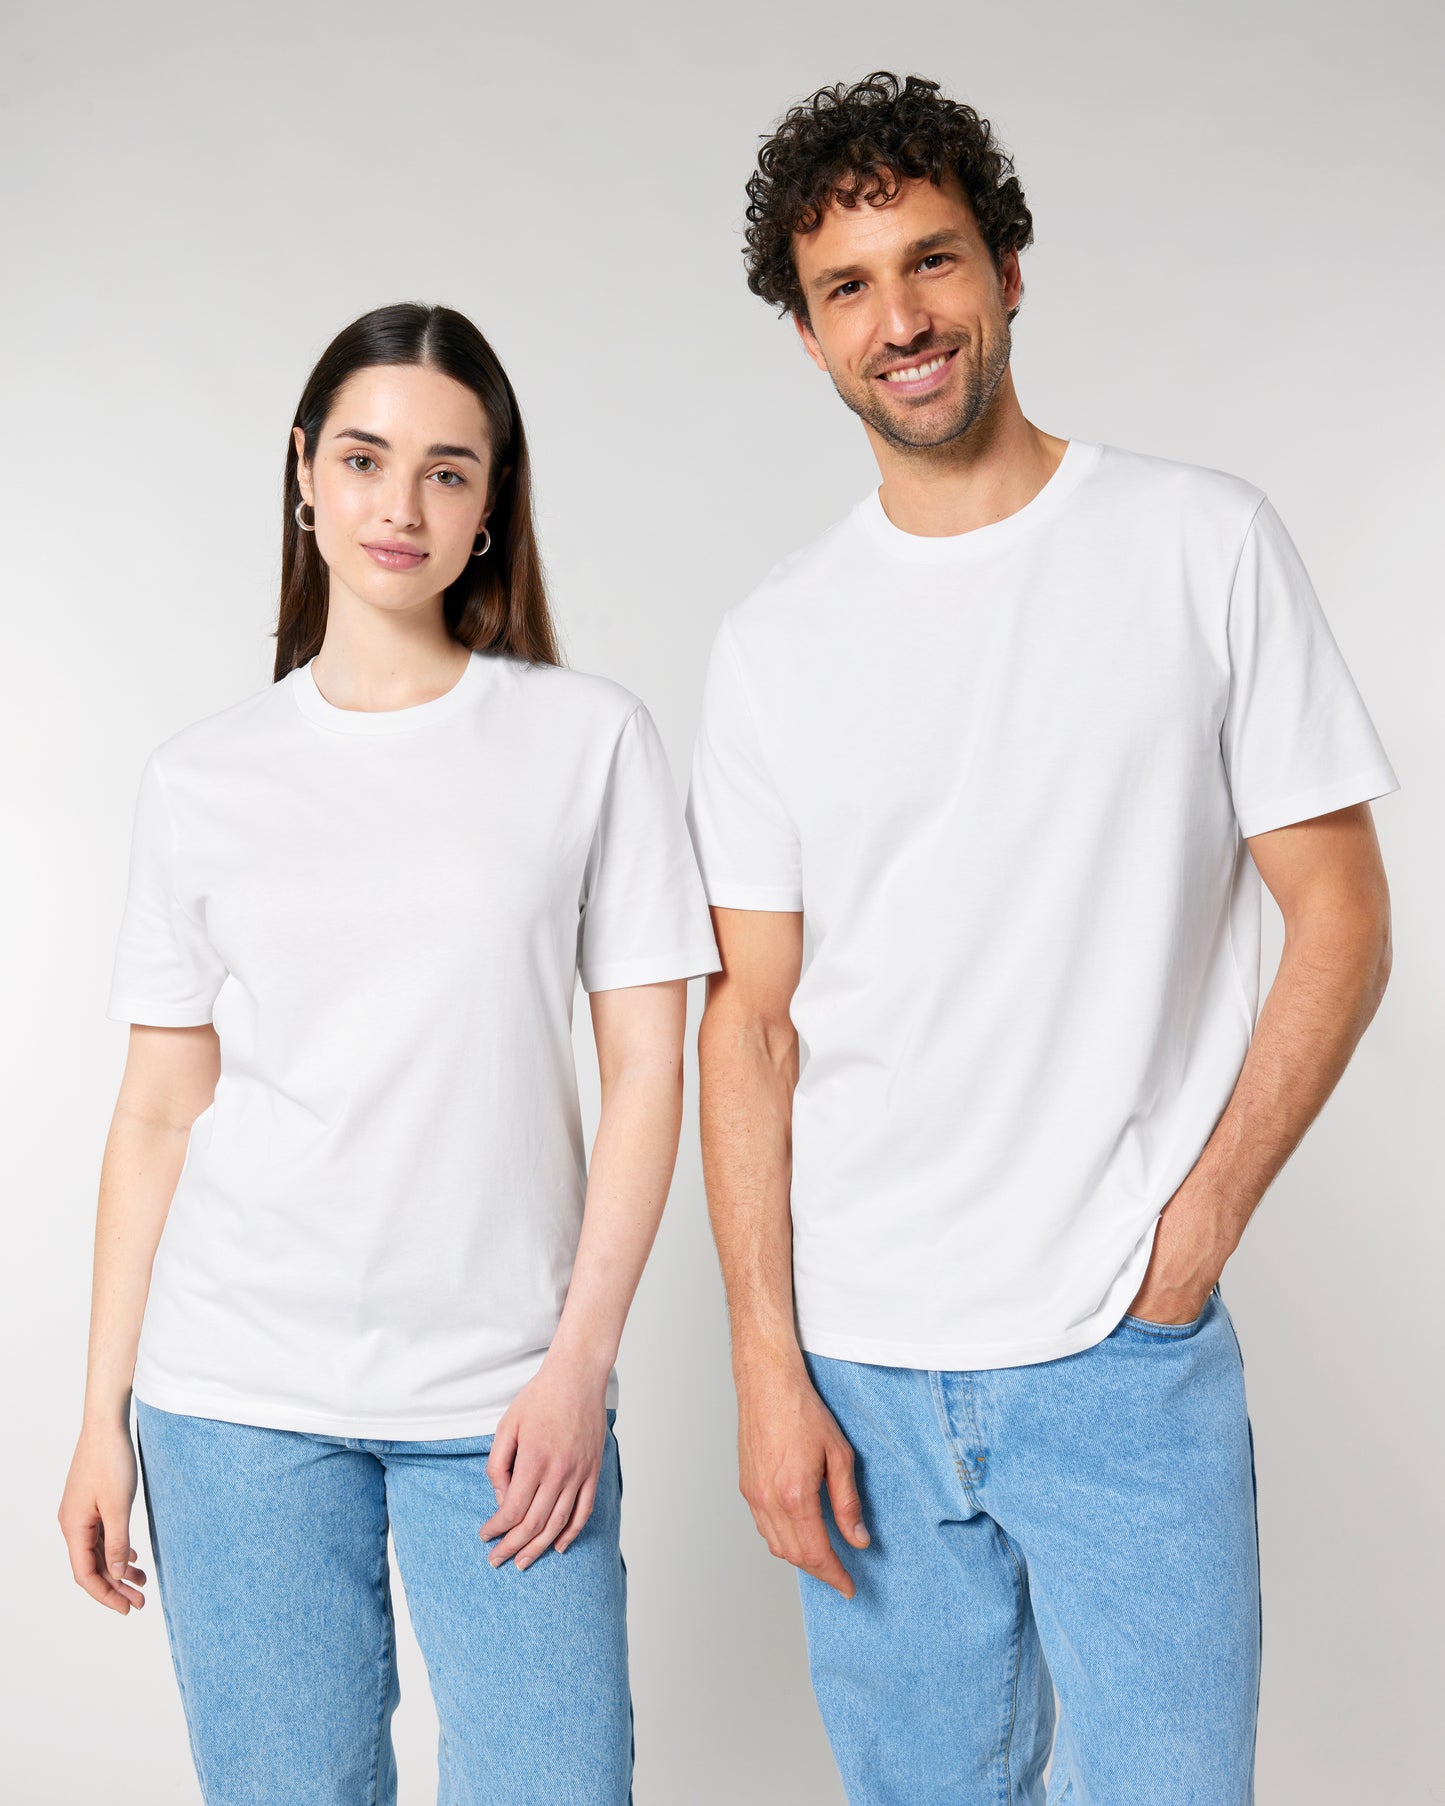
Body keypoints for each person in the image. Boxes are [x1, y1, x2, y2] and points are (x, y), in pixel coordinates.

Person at [686, 72, 1397, 1805]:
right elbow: (751, 1024)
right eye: (847, 286)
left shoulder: (1197, 545)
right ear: (808, 333)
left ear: (1005, 269)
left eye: (930, 261)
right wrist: (766, 1364)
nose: (900, 319)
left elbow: (1342, 915)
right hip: (859, 1362)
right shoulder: (773, 643)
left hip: (1118, 1358)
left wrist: (1191, 1234)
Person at [58, 301, 720, 1806]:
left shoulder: (587, 740)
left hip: (507, 1397)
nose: (399, 505)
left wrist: (579, 1365)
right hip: (235, 1396)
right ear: (304, 471)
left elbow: (649, 1073)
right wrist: (100, 1418)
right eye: (363, 459)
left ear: (492, 504)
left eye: (445, 470)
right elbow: (157, 1111)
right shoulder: (203, 776)